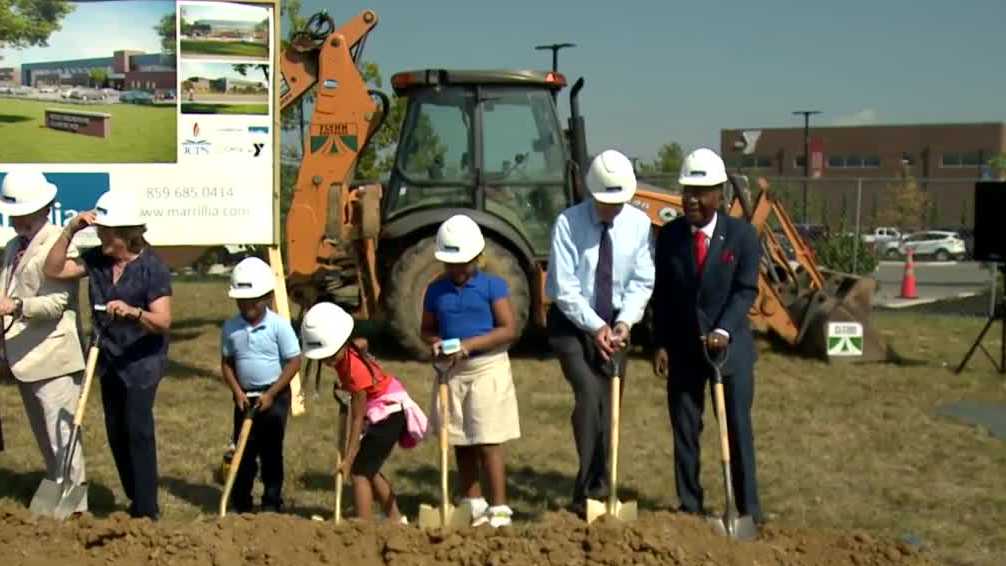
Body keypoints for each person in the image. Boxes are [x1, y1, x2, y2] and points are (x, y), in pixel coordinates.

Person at [43, 191, 172, 520]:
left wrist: (132, 312)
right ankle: (134, 498)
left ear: (126, 235)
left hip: (141, 361)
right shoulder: (97, 259)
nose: (100, 236)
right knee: (116, 430)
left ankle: (148, 510)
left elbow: (163, 321)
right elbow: (54, 269)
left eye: (106, 232)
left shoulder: (152, 268)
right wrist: (70, 229)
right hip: (107, 356)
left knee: (138, 429)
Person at [651, 148, 763, 524]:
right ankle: (690, 505)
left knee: (736, 428)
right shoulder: (669, 237)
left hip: (729, 351)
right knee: (685, 430)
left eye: (700, 192)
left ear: (719, 194)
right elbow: (662, 294)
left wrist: (723, 329)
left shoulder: (742, 236)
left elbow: (746, 290)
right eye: (686, 191)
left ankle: (747, 508)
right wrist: (662, 342)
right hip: (684, 349)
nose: (691, 200)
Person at [544, 149, 655, 517]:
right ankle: (588, 491)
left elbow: (641, 281)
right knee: (589, 396)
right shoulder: (568, 224)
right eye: (607, 202)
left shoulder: (638, 225)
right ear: (591, 194)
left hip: (616, 327)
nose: (614, 209)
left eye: (620, 202)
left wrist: (625, 323)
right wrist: (596, 327)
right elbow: (564, 288)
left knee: (609, 409)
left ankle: (600, 485)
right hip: (571, 327)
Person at [420, 214, 520, 528]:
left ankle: (500, 506)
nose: (457, 270)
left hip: (487, 367)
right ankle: (472, 501)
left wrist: (471, 344)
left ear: (476, 257)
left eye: (463, 263)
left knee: (487, 437)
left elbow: (508, 329)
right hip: (452, 372)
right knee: (460, 437)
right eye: (451, 264)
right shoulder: (435, 290)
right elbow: (426, 329)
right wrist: (436, 343)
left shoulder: (492, 286)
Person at [0, 171, 87, 512]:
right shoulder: (11, 247)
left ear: (44, 208)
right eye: (13, 212)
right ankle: (56, 505)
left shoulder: (60, 244)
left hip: (54, 355)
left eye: (23, 212)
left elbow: (58, 304)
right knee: (45, 439)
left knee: (64, 439)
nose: (17, 218)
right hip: (21, 354)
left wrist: (16, 306)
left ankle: (76, 512)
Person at [301, 302, 427, 523]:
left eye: (330, 356)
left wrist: (348, 459)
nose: (328, 362)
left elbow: (357, 418)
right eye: (323, 358)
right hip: (383, 410)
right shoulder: (348, 351)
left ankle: (363, 523)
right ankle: (396, 519)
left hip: (389, 414)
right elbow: (363, 343)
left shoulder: (356, 371)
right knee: (370, 468)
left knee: (359, 471)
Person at [219, 257, 302, 513]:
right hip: (244, 397)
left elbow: (294, 362)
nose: (246, 306)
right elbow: (226, 362)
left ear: (266, 297)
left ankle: (271, 502)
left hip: (274, 396)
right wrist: (236, 391)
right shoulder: (231, 328)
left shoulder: (279, 326)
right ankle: (241, 502)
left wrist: (272, 393)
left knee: (271, 451)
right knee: (244, 450)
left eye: (252, 301)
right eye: (241, 301)